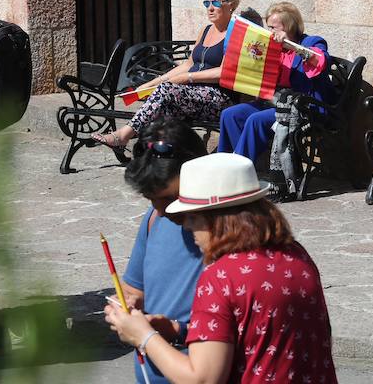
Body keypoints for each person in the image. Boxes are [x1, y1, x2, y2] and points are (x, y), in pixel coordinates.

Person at [105, 153, 337, 384]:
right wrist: (178, 329)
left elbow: (202, 379)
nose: (187, 226)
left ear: (218, 219)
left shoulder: (221, 277)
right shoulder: (296, 255)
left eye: (193, 218)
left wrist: (144, 336)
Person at [92, 0, 242, 149]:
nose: (210, 8)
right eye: (207, 4)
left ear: (231, 5)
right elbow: (189, 64)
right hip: (190, 94)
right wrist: (152, 83)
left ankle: (123, 136)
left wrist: (187, 78)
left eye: (216, 3)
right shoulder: (205, 30)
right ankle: (157, 154)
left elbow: (224, 71)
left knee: (165, 93)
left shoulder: (236, 34)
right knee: (163, 104)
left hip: (218, 98)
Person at [120, 118, 207, 384]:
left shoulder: (221, 235)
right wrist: (126, 305)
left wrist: (176, 331)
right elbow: (134, 290)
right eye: (152, 201)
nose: (162, 211)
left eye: (170, 199)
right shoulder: (154, 218)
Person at [217, 2, 334, 166]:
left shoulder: (312, 42)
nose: (270, 32)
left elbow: (322, 61)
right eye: (268, 27)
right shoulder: (272, 46)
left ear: (289, 27)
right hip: (275, 101)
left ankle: (240, 170)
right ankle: (230, 165)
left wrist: (291, 46)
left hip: (302, 106)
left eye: (274, 28)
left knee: (255, 120)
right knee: (230, 115)